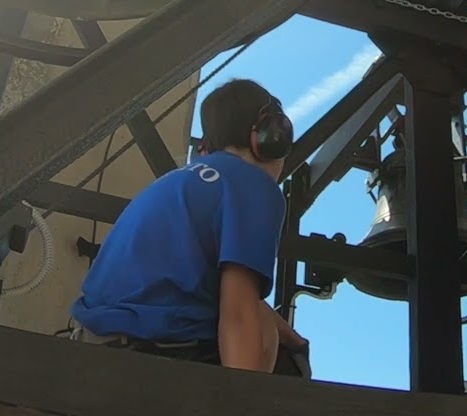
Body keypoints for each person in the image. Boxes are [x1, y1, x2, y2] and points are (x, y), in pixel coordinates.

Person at [70, 79, 308, 372]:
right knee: (272, 342)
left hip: (90, 344)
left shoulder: (175, 181)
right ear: (273, 137)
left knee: (268, 322)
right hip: (154, 357)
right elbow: (238, 311)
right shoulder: (254, 186)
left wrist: (291, 334)